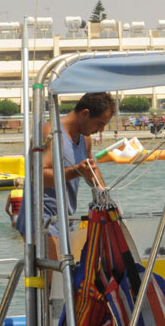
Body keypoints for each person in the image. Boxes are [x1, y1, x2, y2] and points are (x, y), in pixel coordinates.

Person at [15, 92, 113, 262]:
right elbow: (37, 177)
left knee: (70, 274)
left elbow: (91, 169)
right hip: (40, 219)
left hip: (65, 218)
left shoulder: (85, 139)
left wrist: (106, 196)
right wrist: (76, 171)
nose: (100, 130)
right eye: (100, 124)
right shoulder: (51, 133)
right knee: (56, 276)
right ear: (85, 113)